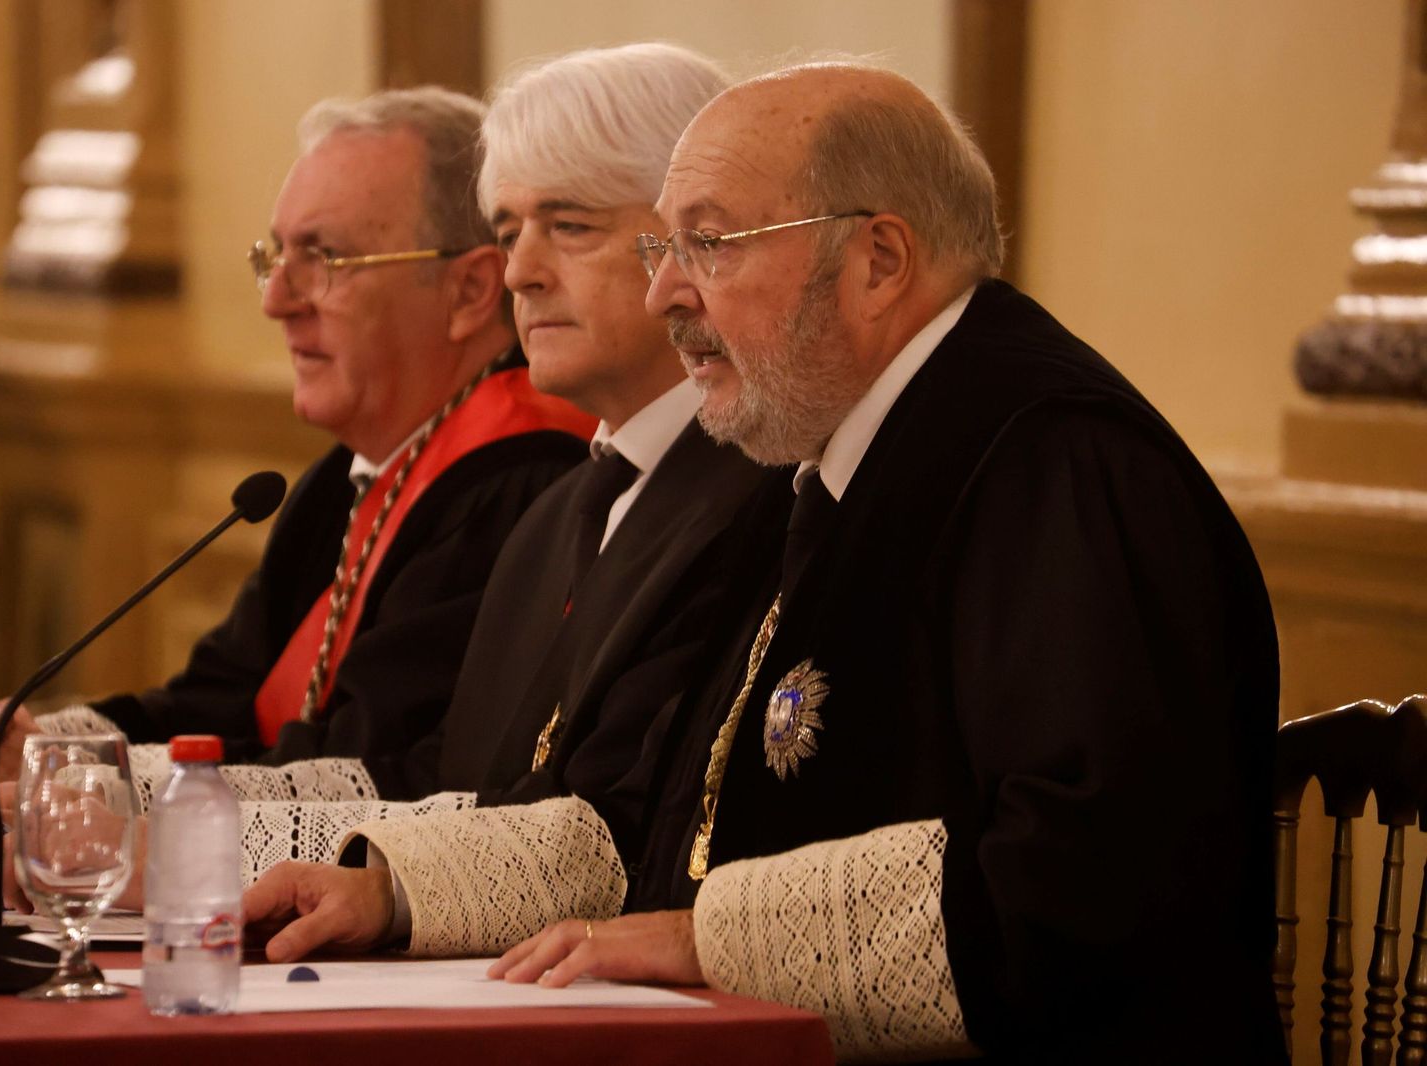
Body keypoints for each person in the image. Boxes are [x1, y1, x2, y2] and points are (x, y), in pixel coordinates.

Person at [244, 62, 1284, 1063]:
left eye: (709, 244)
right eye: (664, 246)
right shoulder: (827, 460)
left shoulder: (1051, 459)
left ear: (879, 261)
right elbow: (647, 818)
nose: (665, 292)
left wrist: (709, 940)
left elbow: (1088, 880)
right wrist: (392, 888)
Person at [240, 44, 794, 950]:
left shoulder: (765, 493)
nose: (519, 273)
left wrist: (387, 887)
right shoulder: (554, 517)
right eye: (508, 232)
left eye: (568, 226)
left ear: (695, 244)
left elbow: (621, 831)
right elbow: (466, 788)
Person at [0, 87, 595, 801]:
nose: (277, 301)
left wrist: (95, 787)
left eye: (325, 258)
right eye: (276, 256)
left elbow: (380, 774)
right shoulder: (345, 478)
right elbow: (220, 701)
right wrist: (43, 747)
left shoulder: (523, 485)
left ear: (471, 291)